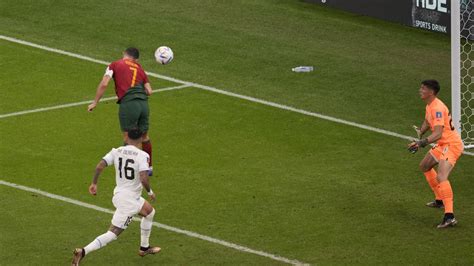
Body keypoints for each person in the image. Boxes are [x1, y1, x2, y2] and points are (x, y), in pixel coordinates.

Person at [72, 128, 160, 265]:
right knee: (113, 233)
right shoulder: (143, 155)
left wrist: (94, 183)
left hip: (122, 195)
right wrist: (150, 192)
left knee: (149, 212)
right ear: (141, 139)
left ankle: (144, 247)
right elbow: (143, 177)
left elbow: (100, 166)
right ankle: (83, 251)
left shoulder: (116, 151)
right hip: (129, 201)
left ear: (127, 137)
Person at [87, 47, 155, 175]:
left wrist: (95, 102)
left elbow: (104, 83)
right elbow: (149, 91)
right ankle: (149, 167)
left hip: (129, 104)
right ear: (136, 59)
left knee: (128, 137)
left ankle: (127, 169)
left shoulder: (115, 64)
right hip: (144, 105)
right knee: (144, 136)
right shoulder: (140, 68)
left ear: (124, 53)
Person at [408, 79, 464, 228]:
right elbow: (427, 122)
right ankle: (440, 200)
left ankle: (449, 216)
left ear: (431, 92)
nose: (420, 90)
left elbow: (438, 133)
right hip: (442, 144)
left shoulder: (437, 108)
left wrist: (421, 143)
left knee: (441, 176)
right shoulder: (430, 105)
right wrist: (420, 133)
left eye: (423, 88)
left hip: (451, 145)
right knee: (425, 166)